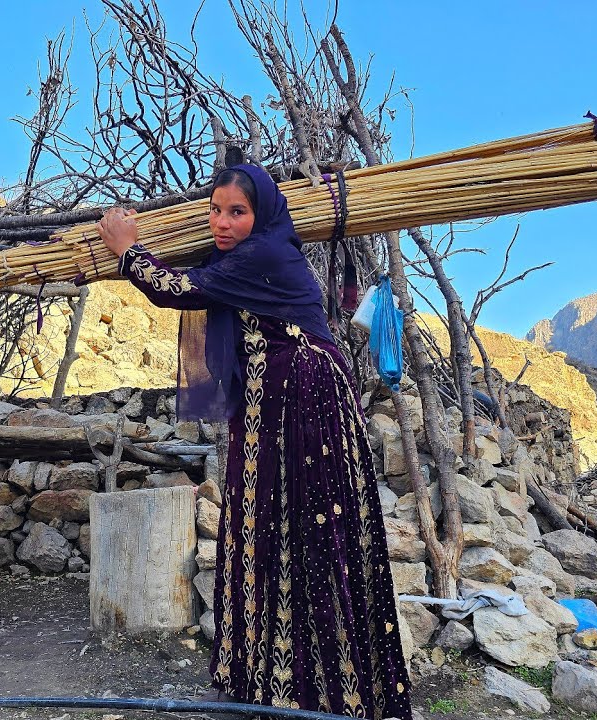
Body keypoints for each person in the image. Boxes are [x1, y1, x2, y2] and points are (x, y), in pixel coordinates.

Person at [95, 165, 412, 719]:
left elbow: (181, 289)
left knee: (307, 528)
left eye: (236, 212)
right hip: (267, 405)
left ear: (260, 214)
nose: (221, 223)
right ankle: (258, 677)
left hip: (305, 403)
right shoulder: (239, 258)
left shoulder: (265, 256)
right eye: (214, 210)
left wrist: (126, 252)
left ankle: (325, 687)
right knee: (258, 526)